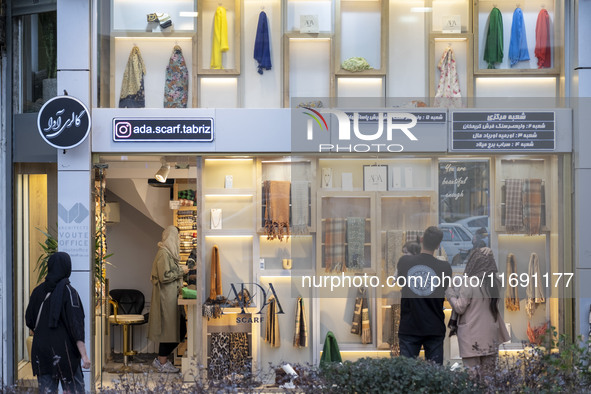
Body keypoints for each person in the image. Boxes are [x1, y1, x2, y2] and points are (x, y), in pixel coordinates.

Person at [25, 251, 91, 393]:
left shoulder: (37, 291)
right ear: (67, 268)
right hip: (65, 353)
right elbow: (76, 327)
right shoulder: (69, 292)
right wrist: (84, 356)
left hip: (41, 352)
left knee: (47, 390)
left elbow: (29, 321)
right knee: (75, 390)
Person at [445, 247, 509, 375]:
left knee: (473, 377)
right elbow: (494, 271)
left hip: (471, 335)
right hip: (491, 335)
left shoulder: (469, 282)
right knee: (489, 377)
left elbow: (459, 307)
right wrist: (489, 255)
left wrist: (450, 293)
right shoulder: (496, 282)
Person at [397, 226, 452, 365]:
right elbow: (443, 289)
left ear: (421, 240)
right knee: (435, 376)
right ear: (438, 245)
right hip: (434, 326)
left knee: (406, 375)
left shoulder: (404, 262)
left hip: (409, 326)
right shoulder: (445, 267)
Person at [148, 225, 189, 373]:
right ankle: (161, 362)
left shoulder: (168, 253)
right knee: (170, 331)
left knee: (175, 329)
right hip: (166, 299)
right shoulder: (163, 253)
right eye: (177, 236)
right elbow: (164, 276)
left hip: (171, 298)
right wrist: (181, 271)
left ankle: (161, 360)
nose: (178, 240)